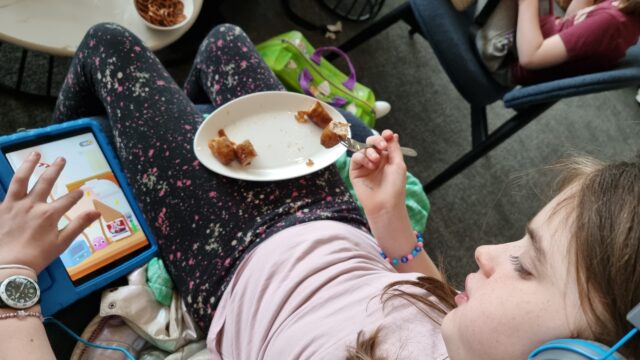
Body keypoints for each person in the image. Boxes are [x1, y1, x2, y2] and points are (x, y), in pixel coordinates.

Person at [0, 23, 638, 359]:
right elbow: (436, 304)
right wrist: (390, 224)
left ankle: (50, 186)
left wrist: (14, 280)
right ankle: (163, 148)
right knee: (224, 45)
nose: (487, 253)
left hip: (232, 263)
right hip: (334, 223)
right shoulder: (479, 341)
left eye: (525, 264)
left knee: (110, 44)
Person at [467, 0, 640, 86]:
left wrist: (527, 2)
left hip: (504, 56)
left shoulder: (613, 23)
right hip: (534, 35)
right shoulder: (628, 15)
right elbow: (573, 21)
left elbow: (531, 57)